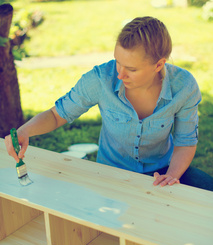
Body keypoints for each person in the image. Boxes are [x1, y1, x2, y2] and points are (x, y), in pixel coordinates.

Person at [5, 16, 213, 191]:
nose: (120, 74)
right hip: (110, 175)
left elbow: (185, 141)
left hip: (162, 170)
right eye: (117, 62)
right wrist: (25, 131)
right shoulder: (99, 79)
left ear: (159, 65)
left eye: (131, 69)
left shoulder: (184, 86)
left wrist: (171, 176)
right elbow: (57, 114)